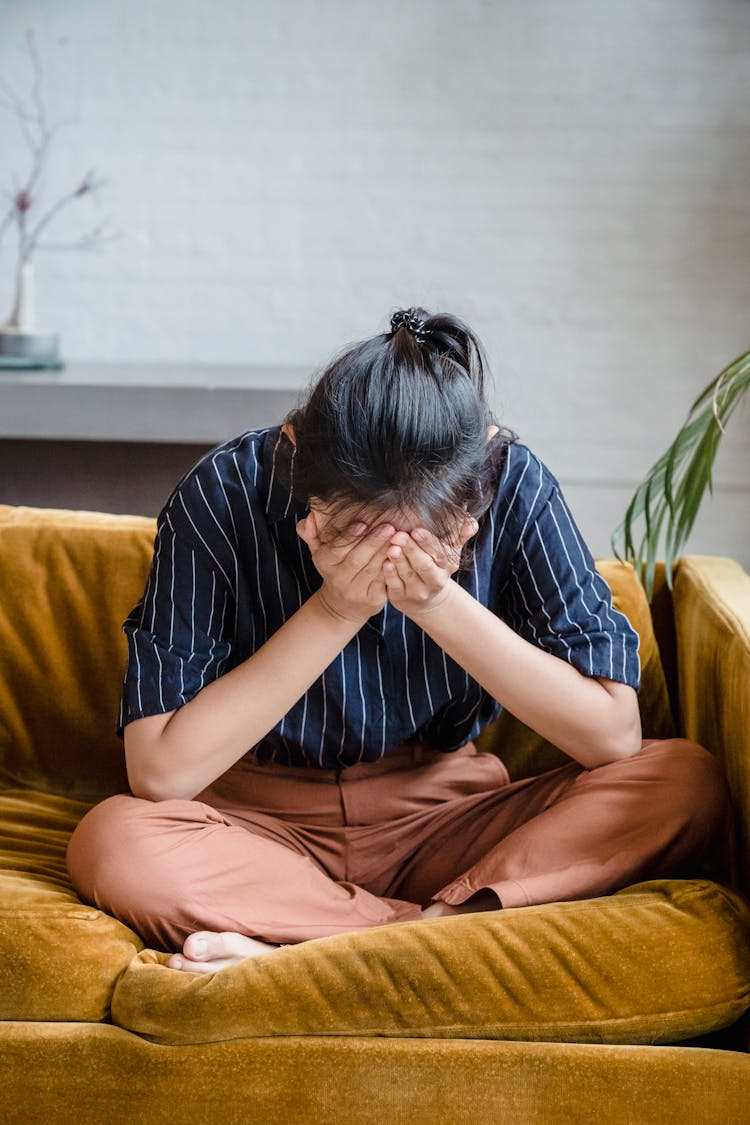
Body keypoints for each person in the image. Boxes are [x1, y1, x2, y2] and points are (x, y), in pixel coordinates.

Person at [66, 306, 731, 975]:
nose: (388, 557)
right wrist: (333, 609)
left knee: (685, 779)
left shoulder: (511, 483)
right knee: (115, 844)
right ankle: (433, 935)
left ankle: (313, 945)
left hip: (445, 814)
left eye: (419, 536)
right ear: (298, 456)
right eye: (356, 528)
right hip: (255, 824)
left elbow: (613, 734)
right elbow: (159, 772)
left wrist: (438, 602)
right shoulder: (223, 492)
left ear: (471, 503)